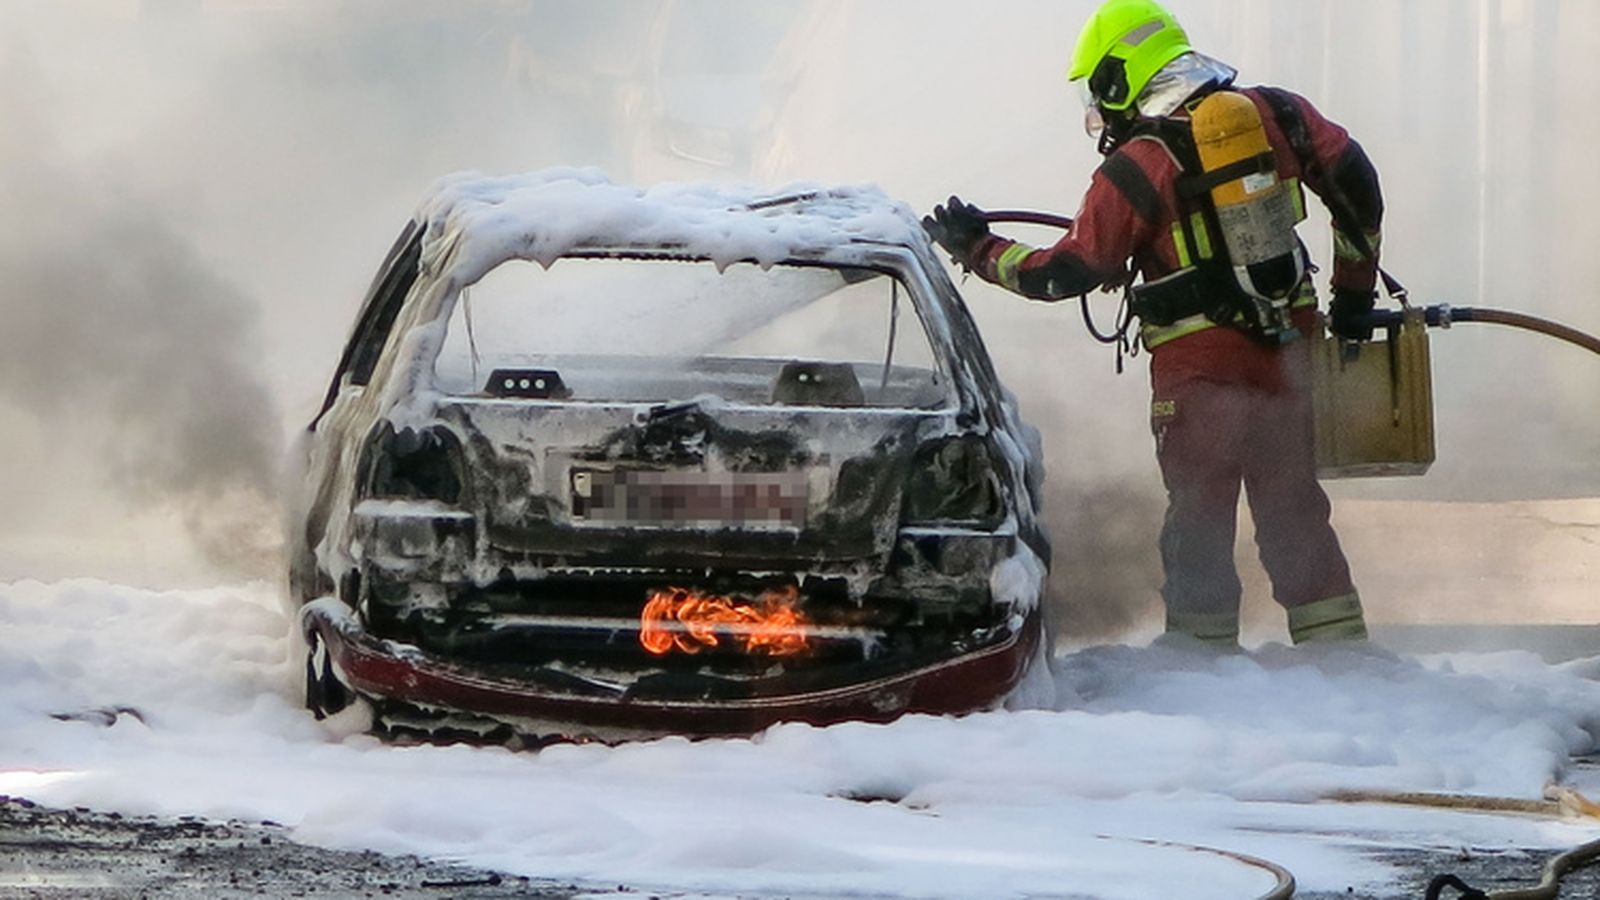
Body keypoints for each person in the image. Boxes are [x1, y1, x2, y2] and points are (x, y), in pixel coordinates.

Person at [924, 0, 1382, 648]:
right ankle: (1343, 662)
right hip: (1289, 354)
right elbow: (1358, 187)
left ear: (1118, 80)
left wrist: (979, 249)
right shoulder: (1279, 113)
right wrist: (1354, 293)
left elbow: (1067, 271)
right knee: (1295, 511)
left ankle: (1202, 665)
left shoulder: (1138, 164)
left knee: (1199, 517)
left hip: (1198, 376)